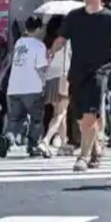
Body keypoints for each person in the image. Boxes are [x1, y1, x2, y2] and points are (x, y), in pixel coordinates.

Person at [49, 0, 111, 172]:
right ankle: (96, 148)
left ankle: (83, 156)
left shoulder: (110, 18)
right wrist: (51, 52)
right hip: (76, 72)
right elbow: (61, 39)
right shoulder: (73, 17)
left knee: (90, 115)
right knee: (81, 118)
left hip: (100, 71)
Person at [0, 16, 48, 158]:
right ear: (38, 29)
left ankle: (7, 138)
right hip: (33, 88)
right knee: (36, 119)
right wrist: (44, 82)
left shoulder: (19, 43)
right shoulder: (39, 46)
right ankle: (32, 145)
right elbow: (41, 68)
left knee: (15, 119)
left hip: (14, 88)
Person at [39, 16, 72, 156]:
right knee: (61, 113)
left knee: (59, 113)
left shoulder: (48, 42)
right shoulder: (67, 41)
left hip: (50, 78)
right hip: (63, 77)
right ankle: (46, 140)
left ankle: (64, 145)